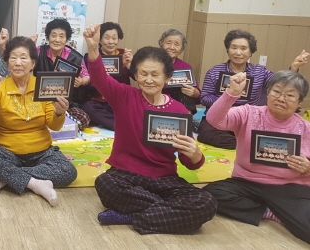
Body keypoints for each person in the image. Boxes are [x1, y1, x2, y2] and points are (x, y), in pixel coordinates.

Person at [83, 23, 217, 234]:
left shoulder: (179, 110)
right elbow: (100, 78)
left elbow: (189, 162)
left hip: (165, 180)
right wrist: (92, 49)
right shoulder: (124, 96)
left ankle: (132, 216)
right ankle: (167, 213)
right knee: (105, 183)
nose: (149, 80)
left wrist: (196, 155)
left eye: (155, 74)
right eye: (143, 74)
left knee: (206, 202)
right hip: (125, 176)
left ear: (167, 78)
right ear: (135, 75)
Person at [202, 70, 310, 244]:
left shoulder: (306, 128)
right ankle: (269, 212)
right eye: (276, 91)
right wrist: (231, 94)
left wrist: (308, 167)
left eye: (290, 95)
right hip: (246, 183)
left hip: (289, 188)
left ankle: (279, 209)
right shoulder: (249, 113)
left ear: (300, 101)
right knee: (210, 195)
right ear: (268, 92)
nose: (281, 98)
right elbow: (214, 120)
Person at [0, 36, 77, 206]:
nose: (18, 63)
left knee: (68, 170)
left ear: (33, 63)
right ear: (7, 62)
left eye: (23, 58)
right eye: (13, 58)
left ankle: (9, 177)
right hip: (7, 152)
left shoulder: (43, 86)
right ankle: (35, 183)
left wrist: (59, 113)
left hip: (41, 152)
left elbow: (54, 125)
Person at [198, 29, 308, 149]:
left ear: (251, 52)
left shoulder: (260, 71)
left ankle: (247, 142)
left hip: (249, 119)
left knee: (268, 140)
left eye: (243, 48)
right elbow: (204, 98)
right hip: (221, 116)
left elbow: (280, 83)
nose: (238, 52)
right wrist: (226, 100)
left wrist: (294, 67)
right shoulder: (214, 71)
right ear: (228, 50)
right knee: (209, 134)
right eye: (234, 48)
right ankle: (246, 143)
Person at [0, 19, 91, 127]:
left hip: (64, 102)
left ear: (67, 40)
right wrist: (27, 47)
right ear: (48, 37)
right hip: (40, 100)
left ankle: (56, 122)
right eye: (53, 35)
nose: (57, 40)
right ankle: (55, 124)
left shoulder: (76, 57)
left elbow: (87, 76)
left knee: (84, 118)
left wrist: (81, 81)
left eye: (61, 36)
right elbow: (17, 60)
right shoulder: (38, 51)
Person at [80, 21, 133, 130]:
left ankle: (118, 122)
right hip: (100, 101)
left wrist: (129, 65)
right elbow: (88, 83)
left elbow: (138, 77)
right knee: (87, 107)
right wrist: (101, 76)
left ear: (118, 39)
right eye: (107, 38)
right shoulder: (92, 56)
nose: (111, 42)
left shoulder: (124, 55)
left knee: (134, 106)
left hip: (121, 99)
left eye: (114, 38)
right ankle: (121, 126)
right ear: (99, 40)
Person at [158, 29, 200, 115]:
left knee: (184, 93)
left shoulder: (185, 67)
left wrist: (195, 93)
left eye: (176, 44)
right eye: (168, 43)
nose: (171, 47)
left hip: (180, 104)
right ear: (161, 44)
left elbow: (197, 95)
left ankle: (186, 120)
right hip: (157, 99)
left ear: (181, 49)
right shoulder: (152, 63)